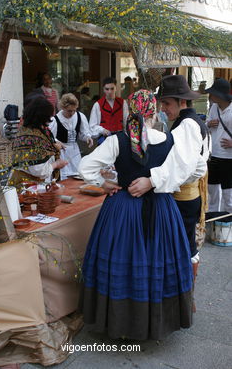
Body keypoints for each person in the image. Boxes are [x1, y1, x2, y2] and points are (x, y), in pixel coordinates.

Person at [78, 90, 193, 341]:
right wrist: (155, 182)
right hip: (161, 209)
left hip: (123, 209)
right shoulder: (170, 140)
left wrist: (102, 183)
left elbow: (85, 166)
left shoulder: (117, 140)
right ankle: (155, 321)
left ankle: (121, 323)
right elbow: (187, 172)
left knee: (123, 261)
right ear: (155, 112)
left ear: (129, 111)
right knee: (157, 262)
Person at [128, 75, 210, 311]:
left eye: (167, 104)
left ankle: (186, 298)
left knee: (184, 246)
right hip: (187, 193)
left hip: (184, 195)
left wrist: (151, 181)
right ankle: (185, 298)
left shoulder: (187, 125)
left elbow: (181, 164)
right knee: (185, 245)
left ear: (182, 102)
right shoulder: (191, 122)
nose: (163, 109)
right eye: (161, 104)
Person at [9, 96, 67, 189]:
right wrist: (57, 164)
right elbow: (39, 171)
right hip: (28, 187)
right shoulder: (31, 137)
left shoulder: (31, 130)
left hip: (32, 185)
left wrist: (56, 143)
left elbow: (47, 140)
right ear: (42, 117)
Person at [49, 93, 93, 180]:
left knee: (77, 176)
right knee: (64, 178)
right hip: (62, 153)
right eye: (69, 111)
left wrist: (87, 137)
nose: (72, 113)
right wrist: (57, 141)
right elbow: (50, 138)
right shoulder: (55, 120)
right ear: (63, 108)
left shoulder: (80, 116)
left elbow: (81, 134)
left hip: (75, 152)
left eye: (74, 110)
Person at [205, 78, 232, 213]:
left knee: (229, 195)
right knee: (212, 192)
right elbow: (205, 126)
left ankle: (227, 225)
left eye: (214, 93)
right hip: (213, 155)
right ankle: (212, 222)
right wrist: (209, 124)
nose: (211, 96)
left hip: (229, 158)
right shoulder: (213, 108)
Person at [89, 77, 129, 144]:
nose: (110, 91)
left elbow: (126, 122)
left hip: (120, 138)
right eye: (107, 89)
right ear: (103, 89)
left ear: (116, 88)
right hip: (105, 138)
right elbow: (92, 126)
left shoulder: (123, 103)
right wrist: (102, 130)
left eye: (112, 89)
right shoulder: (98, 105)